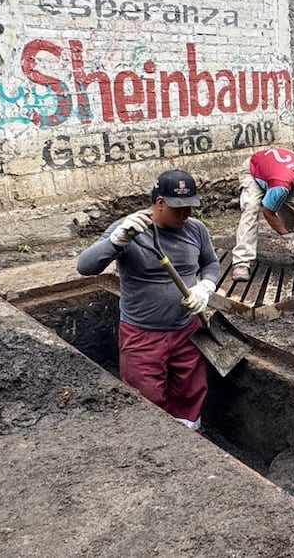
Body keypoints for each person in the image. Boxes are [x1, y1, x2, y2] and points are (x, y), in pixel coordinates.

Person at [75, 169, 219, 431]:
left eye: (190, 207)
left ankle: (192, 444)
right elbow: (85, 267)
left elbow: (210, 263)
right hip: (142, 335)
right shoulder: (131, 230)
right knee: (146, 397)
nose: (186, 214)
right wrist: (116, 241)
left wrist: (205, 287)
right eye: (179, 208)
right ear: (159, 203)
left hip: (187, 332)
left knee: (190, 391)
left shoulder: (196, 229)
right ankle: (155, 448)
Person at [231, 147, 294, 281]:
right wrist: (287, 236)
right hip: (254, 170)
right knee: (251, 208)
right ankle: (242, 262)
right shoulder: (281, 186)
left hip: (280, 173)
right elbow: (268, 212)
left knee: (291, 212)